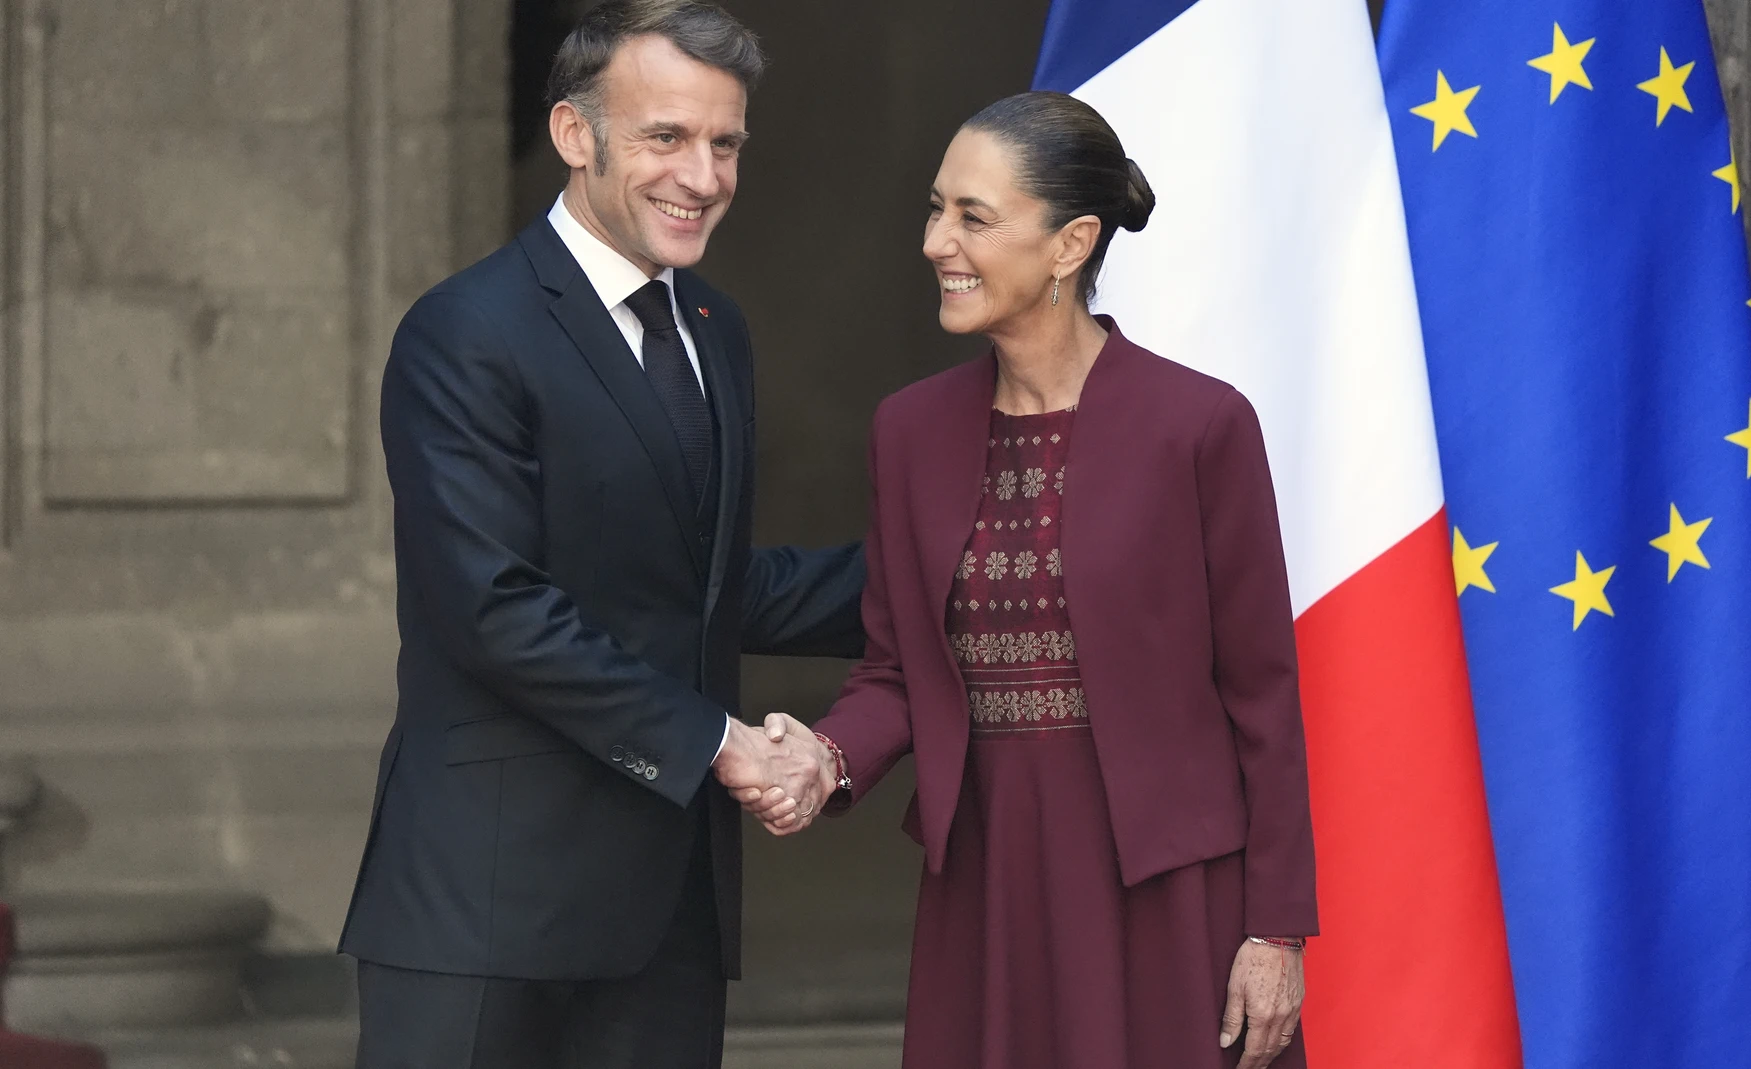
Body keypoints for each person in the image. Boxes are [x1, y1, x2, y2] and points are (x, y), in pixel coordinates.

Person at [738, 92, 1317, 1068]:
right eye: (934, 209)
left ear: (1069, 243)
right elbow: (894, 670)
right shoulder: (907, 431)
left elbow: (1262, 694)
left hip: (1169, 896)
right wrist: (824, 758)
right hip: (989, 884)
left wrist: (1275, 931)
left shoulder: (1201, 425)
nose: (935, 241)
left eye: (972, 215)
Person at [339, 4, 864, 1067]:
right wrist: (721, 744)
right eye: (666, 137)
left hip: (667, 919)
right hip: (486, 910)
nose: (703, 175)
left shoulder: (716, 331)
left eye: (724, 144)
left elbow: (702, 584)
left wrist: (962, 576)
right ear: (577, 136)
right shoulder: (466, 331)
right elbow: (494, 606)